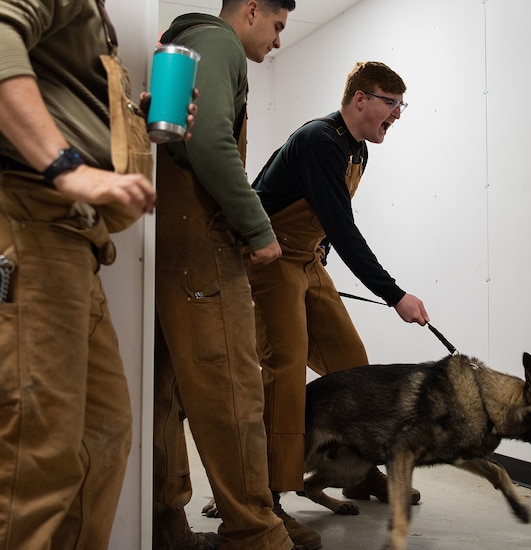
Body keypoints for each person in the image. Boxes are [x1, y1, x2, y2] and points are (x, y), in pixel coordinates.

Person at [0, 0, 180, 547]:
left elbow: (62, 94)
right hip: (31, 224)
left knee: (103, 436)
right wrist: (67, 168)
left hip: (78, 242)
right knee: (39, 454)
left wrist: (136, 119)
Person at [248, 61, 429, 549]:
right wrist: (394, 294)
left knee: (353, 365)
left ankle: (358, 473)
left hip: (308, 261)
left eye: (400, 105)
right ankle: (267, 497)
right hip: (272, 260)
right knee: (285, 372)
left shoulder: (358, 150)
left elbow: (328, 220)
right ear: (359, 100)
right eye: (390, 104)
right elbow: (342, 226)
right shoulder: (318, 140)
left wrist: (320, 251)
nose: (396, 115)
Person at [152, 1, 304, 549]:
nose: (278, 41)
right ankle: (257, 533)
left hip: (167, 247)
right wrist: (259, 229)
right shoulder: (217, 42)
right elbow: (210, 142)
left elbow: (171, 139)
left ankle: (166, 524)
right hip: (205, 245)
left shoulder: (177, 41)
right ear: (251, 10)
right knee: (234, 394)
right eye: (278, 27)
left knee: (164, 396)